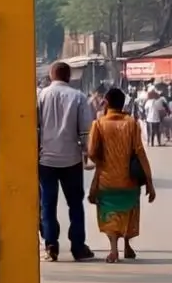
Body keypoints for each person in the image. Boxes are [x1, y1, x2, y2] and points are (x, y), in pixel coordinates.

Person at [86, 85, 156, 263]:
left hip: (107, 180)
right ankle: (127, 245)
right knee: (129, 210)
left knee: (110, 212)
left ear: (106, 103)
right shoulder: (132, 123)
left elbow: (92, 152)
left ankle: (113, 250)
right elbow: (140, 152)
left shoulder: (99, 124)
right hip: (129, 180)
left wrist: (103, 163)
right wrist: (149, 180)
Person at [37, 61, 98, 263]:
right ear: (69, 76)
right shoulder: (79, 97)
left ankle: (51, 245)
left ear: (51, 76)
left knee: (48, 204)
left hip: (46, 160)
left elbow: (35, 127)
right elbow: (84, 132)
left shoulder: (40, 96)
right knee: (75, 204)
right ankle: (78, 247)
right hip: (71, 160)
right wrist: (86, 154)